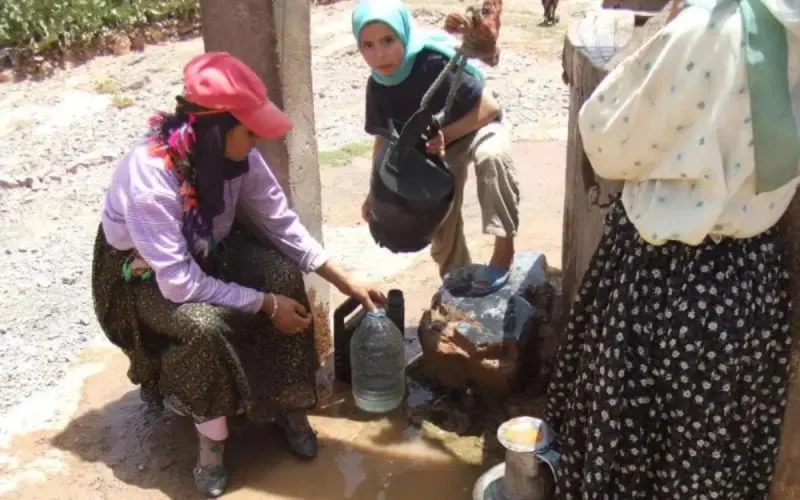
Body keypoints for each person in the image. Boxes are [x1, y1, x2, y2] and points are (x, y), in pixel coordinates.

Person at [91, 51, 384, 498]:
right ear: (214, 131)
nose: (256, 140)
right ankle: (212, 443)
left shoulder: (236, 158)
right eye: (249, 131)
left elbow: (279, 222)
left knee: (283, 277)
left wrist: (344, 278)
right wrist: (265, 305)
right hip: (144, 274)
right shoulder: (151, 179)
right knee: (202, 327)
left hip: (210, 249)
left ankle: (287, 403)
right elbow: (179, 284)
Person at [545, 0, 799, 498]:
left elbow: (607, 140)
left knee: (626, 447)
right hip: (751, 281)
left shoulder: (705, 30)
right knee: (710, 455)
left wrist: (661, 27)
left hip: (661, 276)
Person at [352, 0, 521, 296]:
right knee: (435, 206)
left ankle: (503, 252)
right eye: (368, 45)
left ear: (404, 34)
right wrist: (373, 191)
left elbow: (490, 108)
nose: (380, 54)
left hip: (475, 126)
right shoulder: (378, 86)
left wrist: (446, 134)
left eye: (388, 40)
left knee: (492, 157)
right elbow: (383, 139)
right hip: (435, 149)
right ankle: (456, 276)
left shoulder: (431, 62)